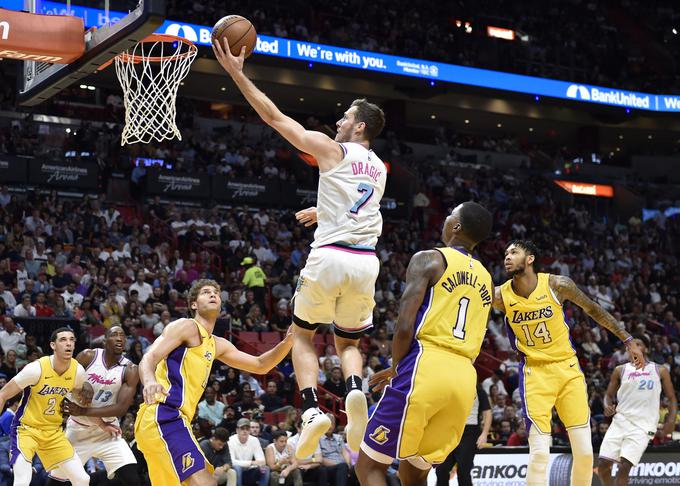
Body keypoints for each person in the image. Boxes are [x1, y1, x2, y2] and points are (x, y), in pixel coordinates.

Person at [213, 38, 386, 459]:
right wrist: (321, 209)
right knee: (348, 344)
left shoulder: (332, 148)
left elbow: (274, 118)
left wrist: (238, 74)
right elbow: (356, 201)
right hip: (366, 261)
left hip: (329, 256)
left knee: (303, 335)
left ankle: (311, 412)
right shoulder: (380, 167)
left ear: (359, 126)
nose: (340, 121)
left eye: (346, 117)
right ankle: (355, 392)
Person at [356, 202, 494, 485]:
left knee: (369, 467)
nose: (444, 218)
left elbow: (405, 325)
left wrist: (396, 368)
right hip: (465, 379)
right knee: (415, 473)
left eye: (449, 214)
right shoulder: (487, 279)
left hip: (426, 365)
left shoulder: (429, 259)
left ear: (456, 227)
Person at [493, 240, 645, 486]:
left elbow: (594, 310)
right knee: (540, 454)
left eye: (514, 252)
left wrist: (628, 339)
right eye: (505, 253)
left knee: (585, 453)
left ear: (530, 258)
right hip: (534, 373)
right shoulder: (500, 295)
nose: (507, 257)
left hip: (568, 369)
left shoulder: (557, 284)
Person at [134, 279, 292, 486]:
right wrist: (149, 381)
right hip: (163, 415)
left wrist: (287, 342)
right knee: (205, 483)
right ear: (193, 304)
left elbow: (260, 364)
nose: (212, 294)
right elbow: (149, 357)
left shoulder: (217, 344)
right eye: (206, 292)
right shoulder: (186, 327)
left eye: (216, 292)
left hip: (175, 421)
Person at [0, 327, 95, 486]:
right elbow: (3, 394)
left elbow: (79, 400)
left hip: (53, 432)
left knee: (83, 479)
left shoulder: (77, 371)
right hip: (26, 429)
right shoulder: (35, 369)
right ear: (53, 345)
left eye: (72, 339)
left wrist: (99, 420)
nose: (68, 343)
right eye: (63, 340)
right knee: (23, 480)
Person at [53, 326, 141, 486]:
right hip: (77, 431)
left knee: (133, 479)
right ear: (105, 339)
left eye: (122, 335)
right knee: (56, 482)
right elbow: (66, 381)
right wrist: (84, 383)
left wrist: (83, 411)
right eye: (114, 335)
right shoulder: (88, 356)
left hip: (107, 432)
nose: (119, 338)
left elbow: (121, 408)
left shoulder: (131, 369)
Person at [597, 336, 677, 486]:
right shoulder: (620, 370)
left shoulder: (660, 370)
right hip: (620, 422)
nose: (633, 348)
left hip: (643, 425)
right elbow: (608, 395)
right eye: (630, 346)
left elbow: (672, 398)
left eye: (638, 345)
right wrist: (607, 406)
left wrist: (671, 420)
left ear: (645, 349)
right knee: (602, 467)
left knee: (624, 468)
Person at [435, 383, 492, 486]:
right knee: (441, 468)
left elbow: (487, 412)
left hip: (469, 431)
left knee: (464, 470)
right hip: (448, 431)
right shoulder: (449, 388)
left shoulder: (478, 391)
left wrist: (484, 434)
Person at [228, 418, 269, 486]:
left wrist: (254, 464)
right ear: (237, 430)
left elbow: (262, 461)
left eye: (247, 429)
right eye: (242, 429)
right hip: (235, 470)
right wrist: (251, 462)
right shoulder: (230, 440)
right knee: (237, 467)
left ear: (249, 431)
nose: (245, 431)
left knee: (265, 468)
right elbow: (232, 461)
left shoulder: (254, 440)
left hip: (249, 470)